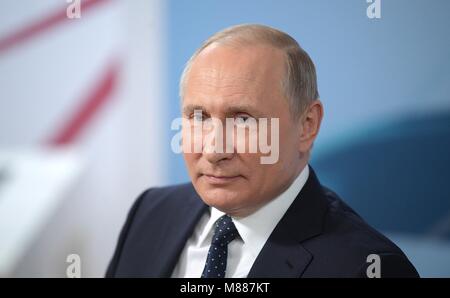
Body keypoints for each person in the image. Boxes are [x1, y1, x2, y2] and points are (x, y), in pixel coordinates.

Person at [106, 24, 419, 278]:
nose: (215, 150)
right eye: (199, 117)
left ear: (307, 125)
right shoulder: (151, 212)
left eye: (243, 120)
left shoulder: (368, 268)